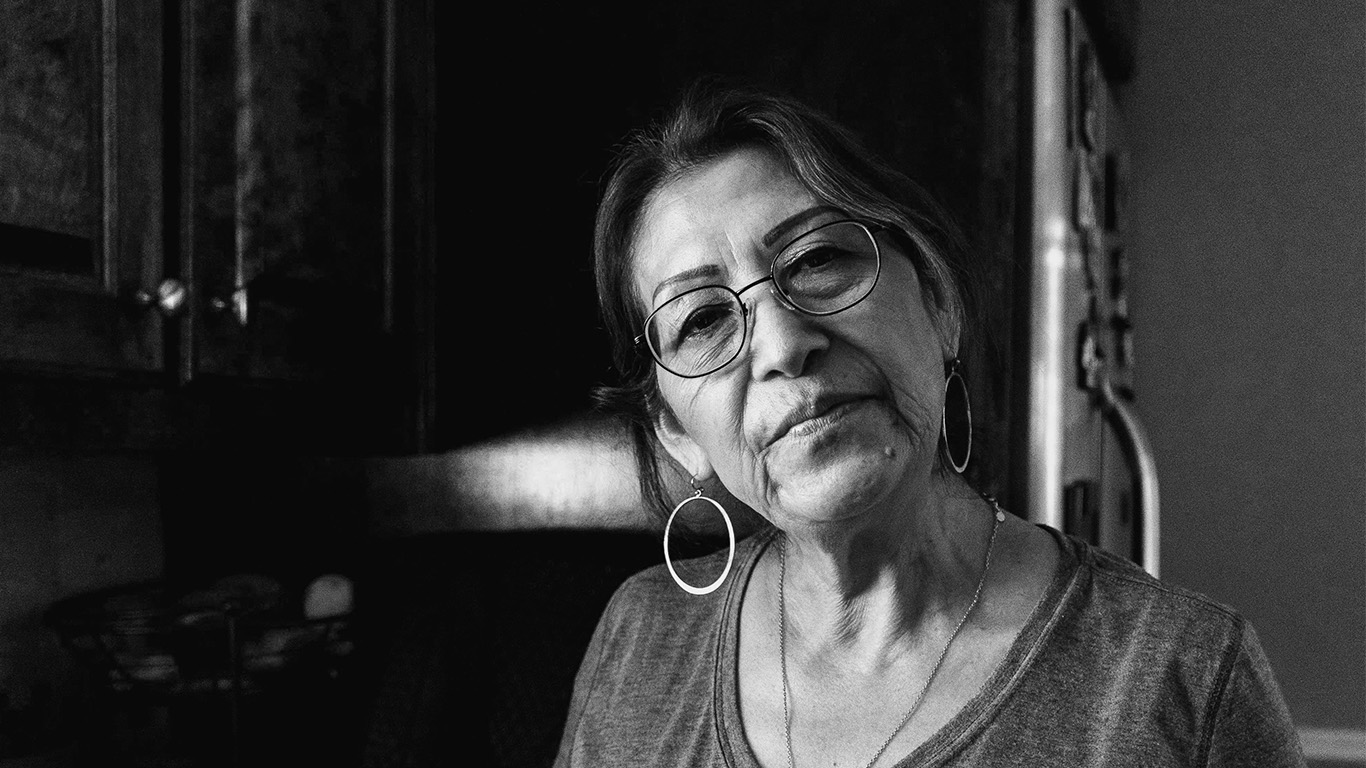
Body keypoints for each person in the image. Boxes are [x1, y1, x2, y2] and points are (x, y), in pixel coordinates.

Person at [554, 81, 1304, 767]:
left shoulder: (1184, 681)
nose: (782, 345)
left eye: (816, 259)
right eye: (703, 321)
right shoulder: (640, 642)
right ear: (675, 430)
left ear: (938, 303)